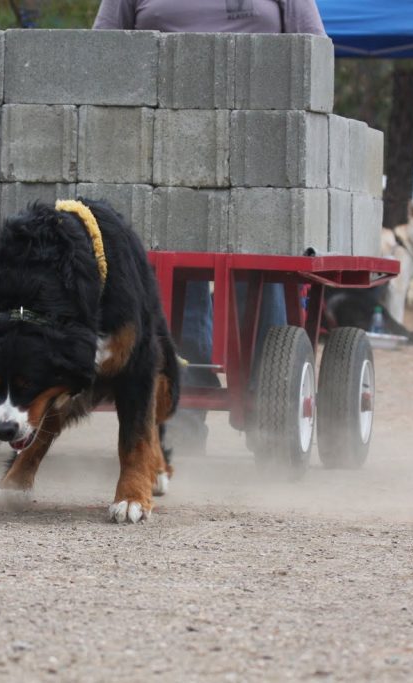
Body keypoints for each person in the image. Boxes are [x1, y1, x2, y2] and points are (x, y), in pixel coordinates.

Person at [93, 0, 326, 454]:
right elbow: (105, 55)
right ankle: (181, 416)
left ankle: (269, 412)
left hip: (262, 156)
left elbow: (314, 57)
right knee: (179, 287)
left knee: (258, 278)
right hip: (158, 154)